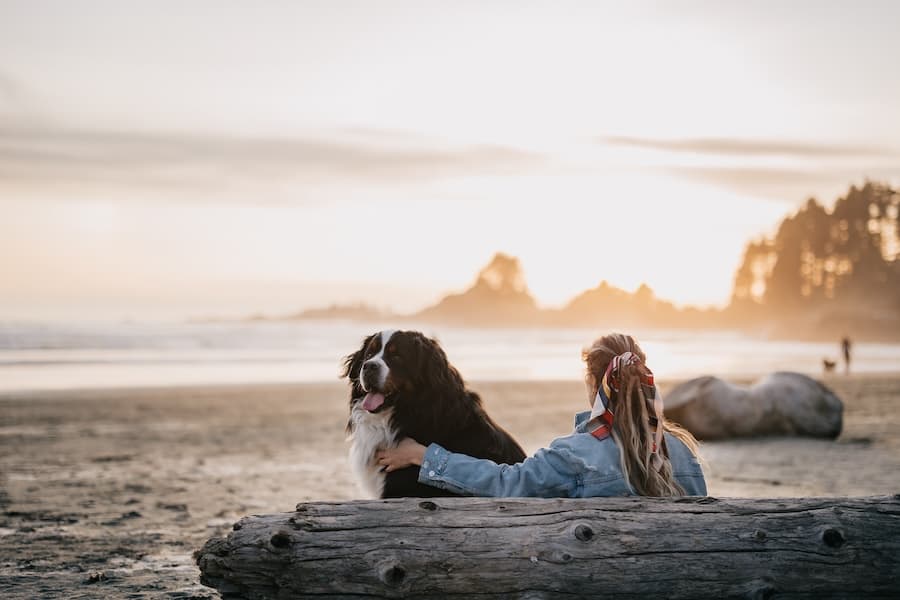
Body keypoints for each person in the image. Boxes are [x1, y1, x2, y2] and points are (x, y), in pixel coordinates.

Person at [376, 333, 706, 497]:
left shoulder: (575, 454)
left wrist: (424, 456)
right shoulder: (680, 451)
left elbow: (505, 482)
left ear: (593, 383)